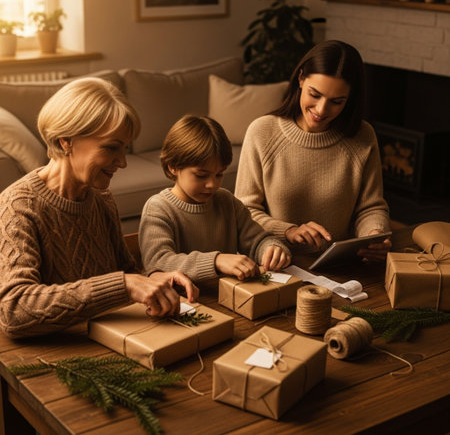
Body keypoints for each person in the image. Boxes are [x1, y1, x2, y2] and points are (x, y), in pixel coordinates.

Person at [0, 78, 198, 339]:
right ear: (65, 142)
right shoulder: (17, 206)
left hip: (111, 339)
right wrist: (125, 285)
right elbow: (14, 311)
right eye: (111, 148)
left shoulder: (100, 197)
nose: (123, 162)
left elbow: (125, 272)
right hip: (56, 356)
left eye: (124, 149)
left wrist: (155, 280)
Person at [235, 40, 391, 261]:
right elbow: (244, 211)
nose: (321, 110)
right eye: (315, 94)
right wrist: (288, 231)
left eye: (336, 101)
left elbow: (371, 207)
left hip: (343, 266)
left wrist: (374, 234)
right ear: (300, 78)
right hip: (277, 265)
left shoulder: (363, 136)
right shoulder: (262, 132)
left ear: (350, 98)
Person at [139, 115, 291, 282]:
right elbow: (158, 262)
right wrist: (216, 261)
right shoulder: (158, 208)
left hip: (229, 297)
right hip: (186, 303)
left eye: (219, 174)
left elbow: (257, 240)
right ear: (173, 166)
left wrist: (271, 248)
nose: (212, 184)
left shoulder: (227, 201)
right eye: (201, 175)